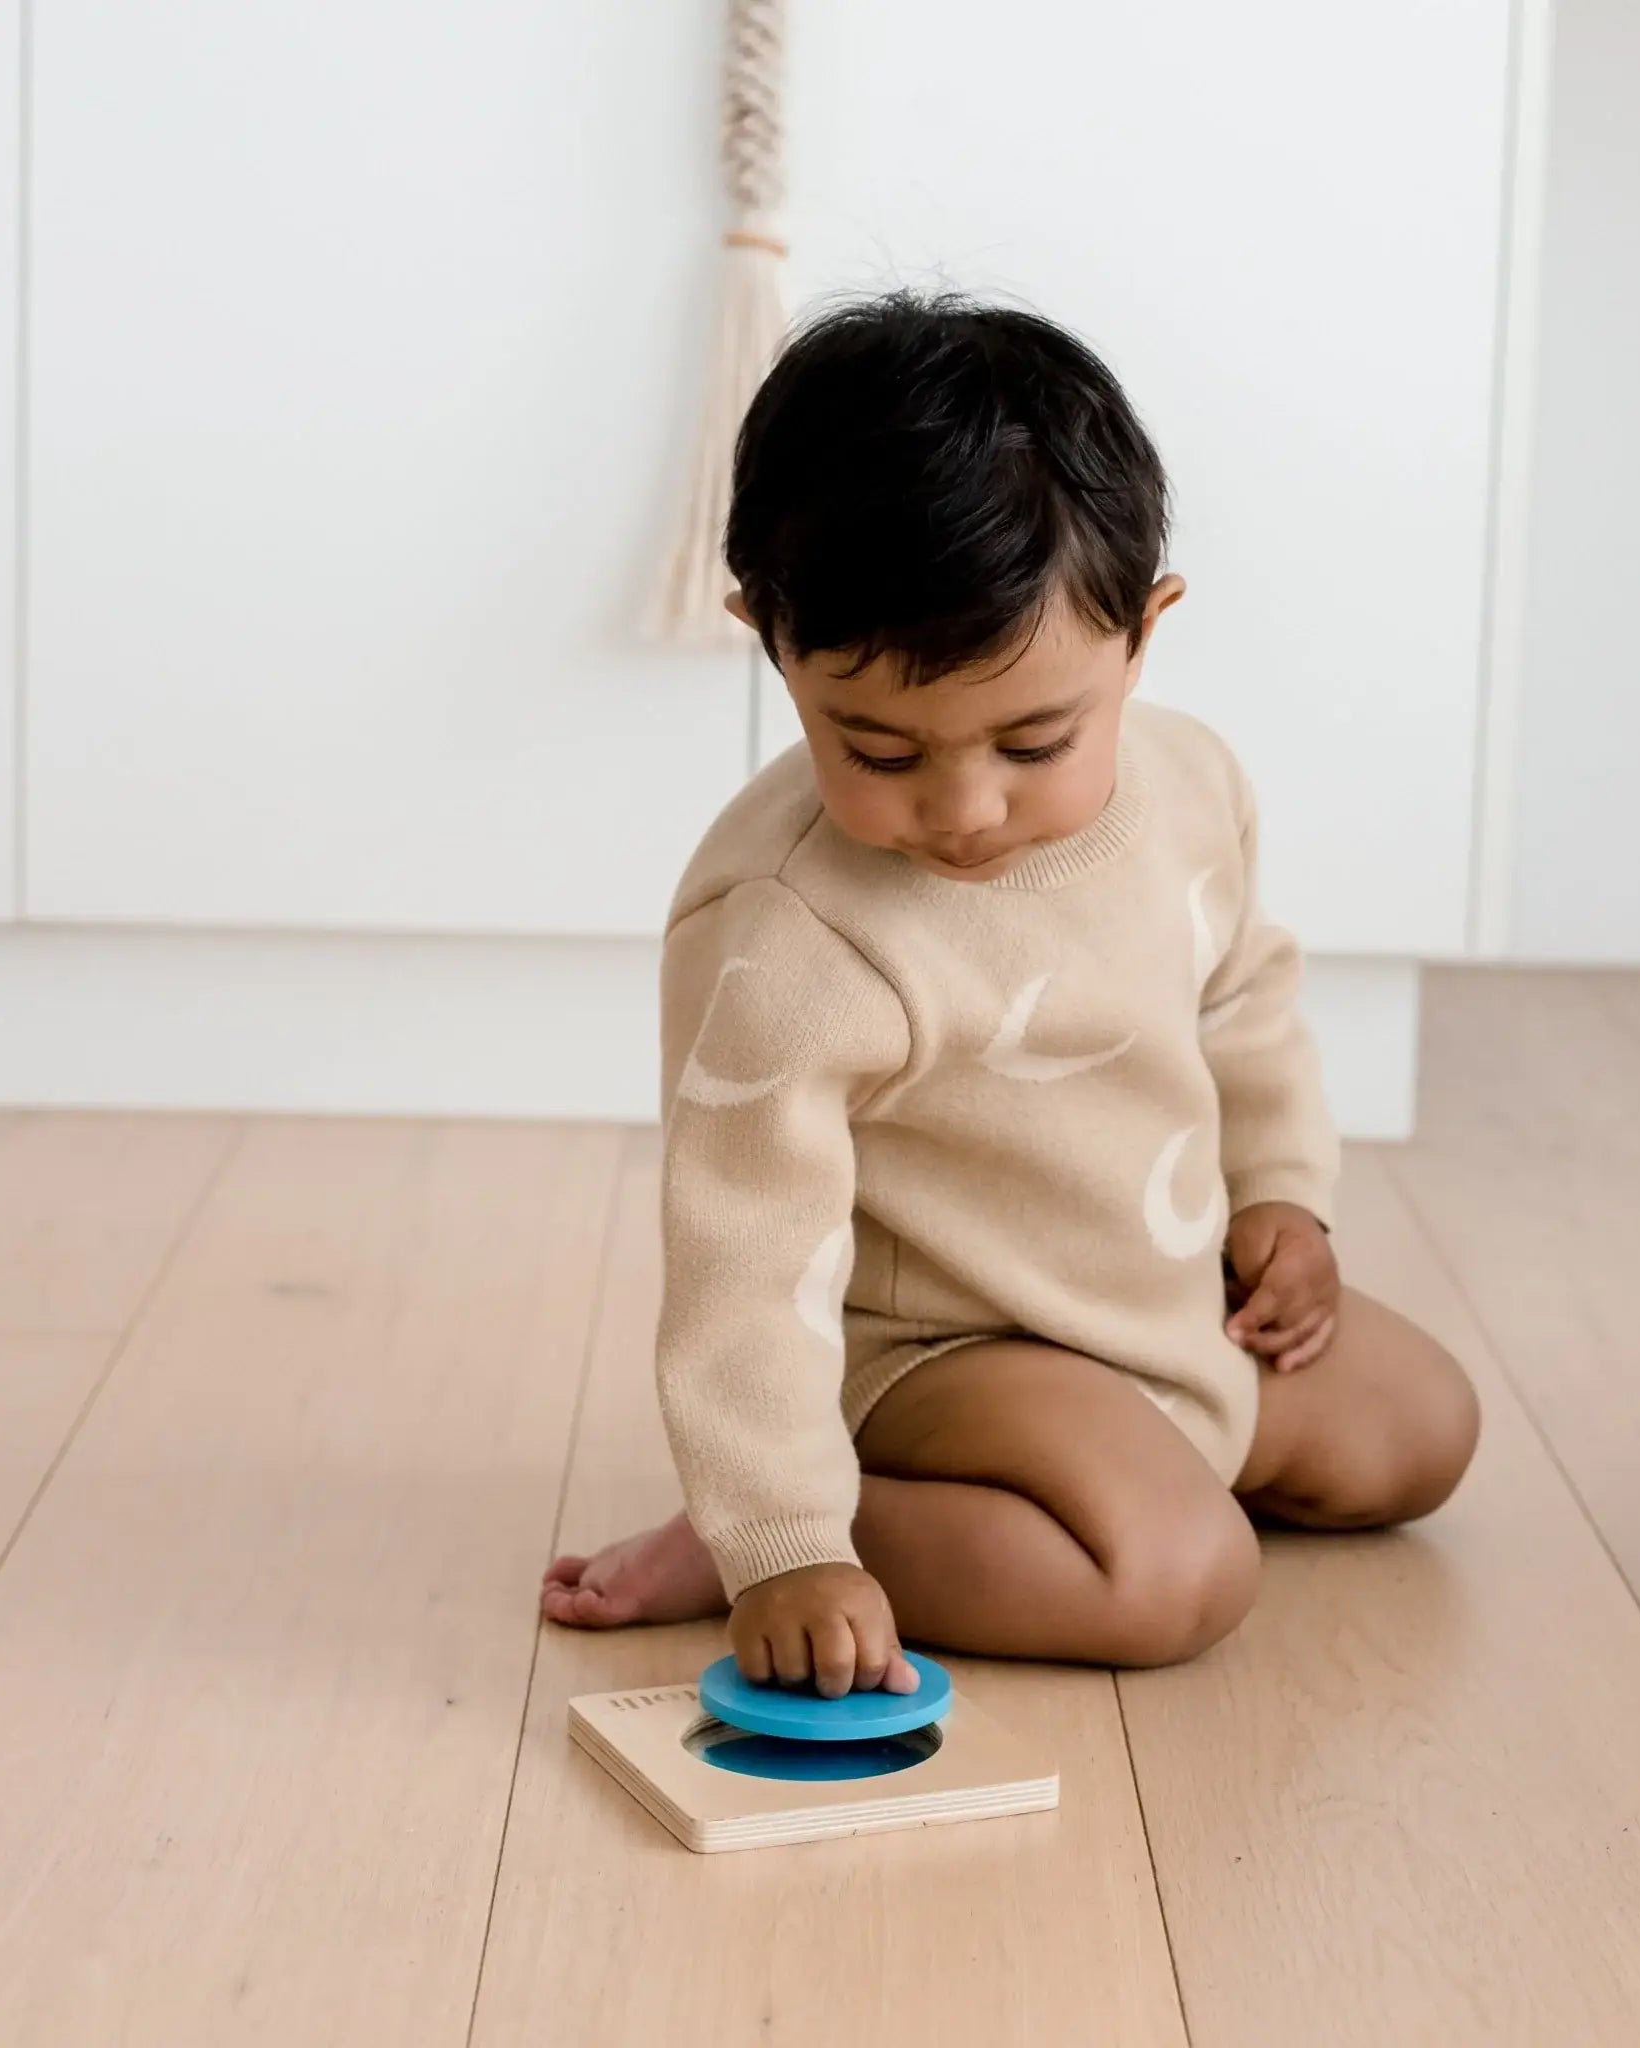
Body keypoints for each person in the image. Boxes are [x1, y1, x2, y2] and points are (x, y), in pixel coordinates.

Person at [543, 291, 1479, 1694]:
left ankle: (1119, 1471)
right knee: (1178, 1577)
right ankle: (784, 1532)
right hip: (951, 1351)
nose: (965, 808)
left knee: (1423, 1426)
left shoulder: (1192, 788)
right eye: (877, 746)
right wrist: (782, 1538)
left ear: (1141, 634)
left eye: (1036, 738)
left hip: (1161, 1302)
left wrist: (1284, 1195)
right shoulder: (793, 934)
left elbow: (1243, 1004)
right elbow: (744, 1258)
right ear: (771, 641)